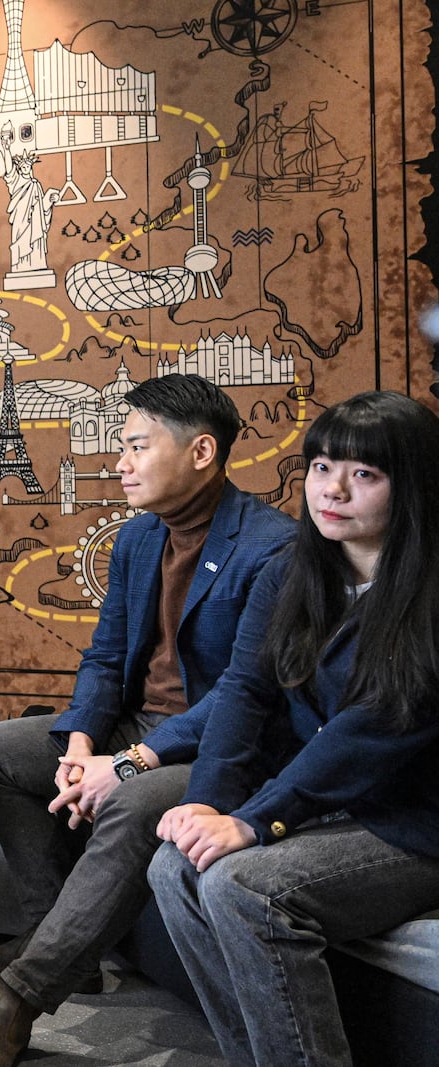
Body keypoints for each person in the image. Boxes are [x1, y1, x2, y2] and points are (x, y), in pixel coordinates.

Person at [0, 374, 293, 1067]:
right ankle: (51, 932)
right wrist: (79, 744)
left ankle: (20, 997)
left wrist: (131, 761)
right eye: (120, 447)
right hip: (136, 726)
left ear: (201, 452)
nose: (119, 462)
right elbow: (104, 657)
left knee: (129, 801)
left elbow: (247, 695)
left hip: (222, 747)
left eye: (136, 446)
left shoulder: (272, 548)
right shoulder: (137, 540)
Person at [148, 391, 439, 1067]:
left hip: (414, 820)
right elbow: (244, 694)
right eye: (320, 466)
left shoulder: (427, 588)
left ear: (413, 484)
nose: (331, 489)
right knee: (174, 867)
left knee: (242, 884)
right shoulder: (291, 570)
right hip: (340, 806)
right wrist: (208, 803)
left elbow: (374, 724)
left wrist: (256, 821)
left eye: (364, 474)